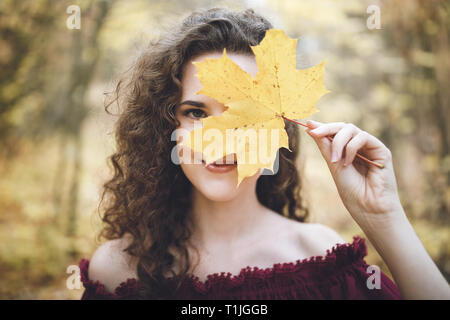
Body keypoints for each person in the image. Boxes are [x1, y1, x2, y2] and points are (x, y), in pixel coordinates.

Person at [78, 7, 450, 300]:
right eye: (196, 112)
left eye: (241, 110)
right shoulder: (116, 271)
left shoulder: (324, 260)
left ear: (279, 127)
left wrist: (384, 216)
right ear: (166, 129)